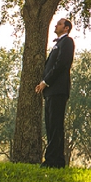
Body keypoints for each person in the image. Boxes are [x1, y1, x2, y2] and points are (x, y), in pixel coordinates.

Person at [35, 17, 75, 168]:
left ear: (66, 28)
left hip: (58, 89)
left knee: (56, 125)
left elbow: (61, 64)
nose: (56, 25)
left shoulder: (67, 42)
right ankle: (57, 161)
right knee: (51, 126)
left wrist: (45, 82)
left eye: (59, 24)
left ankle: (51, 160)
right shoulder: (57, 44)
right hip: (51, 91)